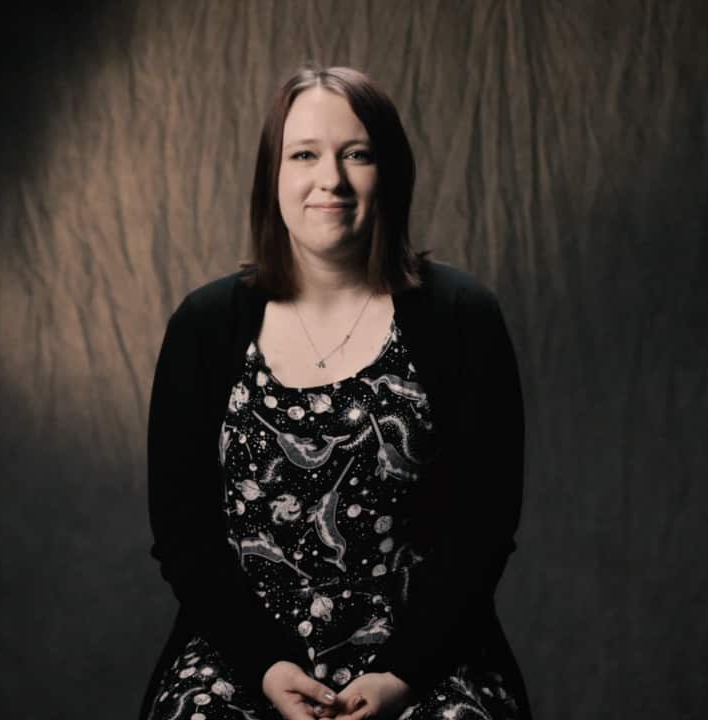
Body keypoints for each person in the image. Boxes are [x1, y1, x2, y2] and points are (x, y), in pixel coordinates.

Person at [140, 64, 531, 720]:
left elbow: (484, 527)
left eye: (357, 154)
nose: (332, 180)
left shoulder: (462, 316)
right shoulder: (205, 326)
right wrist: (268, 667)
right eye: (304, 155)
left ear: (390, 173)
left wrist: (401, 676)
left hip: (422, 651)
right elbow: (183, 535)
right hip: (248, 655)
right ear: (273, 176)